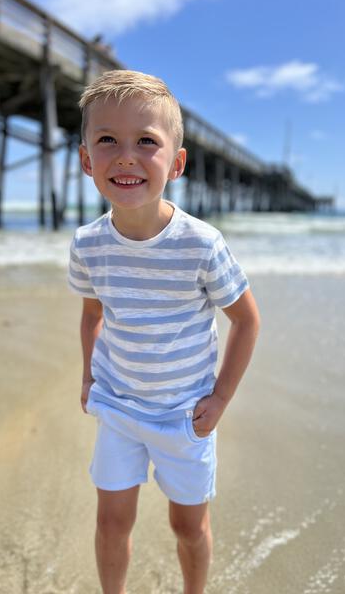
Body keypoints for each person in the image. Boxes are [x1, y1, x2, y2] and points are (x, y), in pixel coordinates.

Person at [68, 69, 260, 594]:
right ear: (87, 160)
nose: (126, 156)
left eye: (146, 142)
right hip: (119, 406)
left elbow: (246, 319)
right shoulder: (88, 245)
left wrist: (219, 399)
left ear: (176, 162)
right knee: (111, 521)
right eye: (107, 140)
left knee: (188, 525)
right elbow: (92, 314)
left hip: (184, 415)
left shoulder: (200, 244)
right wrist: (88, 378)